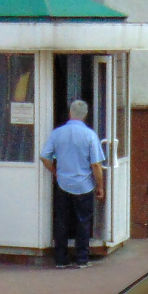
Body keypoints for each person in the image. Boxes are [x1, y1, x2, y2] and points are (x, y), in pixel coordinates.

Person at [40, 98, 105, 268]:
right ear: (86, 116)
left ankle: (61, 260)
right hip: (84, 186)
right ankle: (82, 259)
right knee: (83, 222)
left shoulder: (57, 133)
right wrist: (100, 186)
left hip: (63, 184)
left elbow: (44, 156)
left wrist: (55, 172)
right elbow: (96, 164)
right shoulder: (90, 135)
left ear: (70, 113)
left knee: (61, 221)